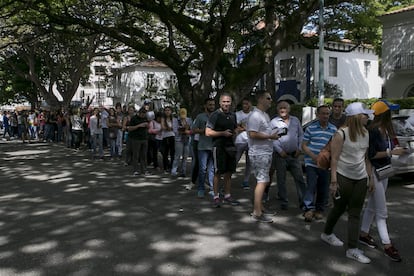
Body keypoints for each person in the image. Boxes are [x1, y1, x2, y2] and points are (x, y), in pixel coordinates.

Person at [320, 102, 375, 264]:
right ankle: (327, 233)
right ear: (357, 117)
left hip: (361, 178)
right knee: (339, 208)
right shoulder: (340, 134)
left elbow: (365, 158)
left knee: (355, 212)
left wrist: (370, 177)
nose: (367, 117)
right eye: (364, 115)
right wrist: (334, 181)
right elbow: (334, 159)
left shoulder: (366, 133)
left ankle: (352, 249)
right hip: (343, 176)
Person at [359, 100, 408, 262]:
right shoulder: (373, 131)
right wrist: (391, 151)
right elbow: (371, 155)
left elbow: (389, 150)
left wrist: (399, 151)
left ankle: (363, 234)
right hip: (375, 172)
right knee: (381, 211)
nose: (393, 114)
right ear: (384, 115)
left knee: (373, 206)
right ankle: (387, 245)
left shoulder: (386, 129)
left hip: (384, 170)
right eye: (390, 111)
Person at [247, 91, 280, 223]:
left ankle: (260, 206)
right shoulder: (255, 115)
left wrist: (273, 133)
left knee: (263, 180)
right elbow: (252, 134)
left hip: (266, 151)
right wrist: (270, 136)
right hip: (259, 152)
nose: (270, 100)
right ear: (260, 99)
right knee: (262, 181)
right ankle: (257, 212)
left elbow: (264, 131)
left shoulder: (264, 115)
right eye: (268, 98)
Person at [302, 105, 337, 222]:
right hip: (311, 163)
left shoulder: (333, 129)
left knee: (323, 187)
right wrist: (314, 157)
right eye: (323, 113)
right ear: (317, 115)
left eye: (327, 114)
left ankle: (319, 209)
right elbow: (304, 145)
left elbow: (336, 147)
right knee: (311, 186)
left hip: (326, 164)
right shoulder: (310, 128)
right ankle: (309, 209)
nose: (325, 116)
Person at [269, 100, 306, 210]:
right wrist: (280, 150)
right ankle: (284, 201)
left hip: (294, 155)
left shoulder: (295, 120)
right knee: (281, 179)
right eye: (280, 108)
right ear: (277, 109)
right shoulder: (273, 122)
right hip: (280, 155)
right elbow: (272, 138)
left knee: (299, 178)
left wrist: (299, 149)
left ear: (289, 109)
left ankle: (303, 201)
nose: (282, 110)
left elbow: (301, 135)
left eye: (285, 107)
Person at [206, 93, 240, 207]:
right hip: (218, 146)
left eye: (228, 102)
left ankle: (227, 195)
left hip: (230, 147)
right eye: (224, 102)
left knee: (229, 172)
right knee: (218, 172)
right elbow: (208, 132)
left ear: (231, 103)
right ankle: (216, 197)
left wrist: (236, 131)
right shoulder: (215, 115)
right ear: (220, 103)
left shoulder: (233, 115)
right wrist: (222, 133)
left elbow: (235, 127)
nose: (226, 104)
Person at [191, 98, 216, 197]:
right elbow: (194, 130)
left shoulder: (216, 116)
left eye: (213, 105)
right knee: (202, 169)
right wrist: (204, 131)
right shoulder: (200, 117)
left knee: (212, 169)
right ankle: (200, 188)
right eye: (210, 105)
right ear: (205, 106)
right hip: (202, 147)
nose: (212, 107)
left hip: (213, 146)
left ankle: (212, 188)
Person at [235, 97, 252, 190]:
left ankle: (246, 181)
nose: (245, 105)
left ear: (250, 104)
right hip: (240, 141)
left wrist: (244, 127)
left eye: (247, 103)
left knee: (249, 163)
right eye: (244, 104)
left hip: (251, 141)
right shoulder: (237, 114)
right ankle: (227, 179)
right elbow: (237, 127)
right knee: (235, 161)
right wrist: (245, 128)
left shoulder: (254, 114)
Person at [127, 107, 150, 176]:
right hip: (136, 139)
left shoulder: (145, 119)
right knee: (136, 155)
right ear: (139, 113)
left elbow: (148, 127)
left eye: (144, 114)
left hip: (144, 138)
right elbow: (130, 128)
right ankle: (135, 170)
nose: (143, 115)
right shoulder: (134, 118)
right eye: (142, 114)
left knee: (144, 155)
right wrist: (139, 125)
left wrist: (147, 126)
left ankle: (144, 170)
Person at [171, 108, 192, 177]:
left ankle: (183, 171)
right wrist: (184, 129)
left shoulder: (188, 120)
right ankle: (174, 171)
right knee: (177, 156)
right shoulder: (175, 120)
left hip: (187, 139)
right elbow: (175, 130)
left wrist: (186, 128)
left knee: (185, 156)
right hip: (178, 139)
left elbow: (191, 129)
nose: (183, 117)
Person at [161, 106, 175, 173]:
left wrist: (171, 128)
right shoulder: (163, 119)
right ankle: (165, 167)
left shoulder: (173, 119)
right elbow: (163, 127)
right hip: (165, 137)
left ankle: (172, 167)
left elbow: (175, 127)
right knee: (165, 153)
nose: (167, 111)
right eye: (166, 110)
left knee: (172, 153)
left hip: (172, 136)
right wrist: (168, 128)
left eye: (169, 110)